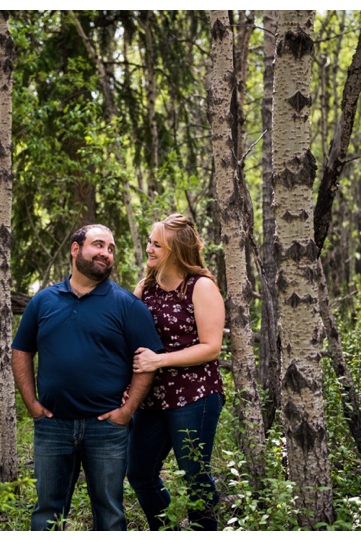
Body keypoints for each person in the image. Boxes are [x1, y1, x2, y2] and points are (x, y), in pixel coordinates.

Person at [12, 223, 164, 531]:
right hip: (53, 427)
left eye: (110, 249)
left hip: (106, 429)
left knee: (110, 513)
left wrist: (126, 411)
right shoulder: (43, 301)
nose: (106, 254)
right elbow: (21, 350)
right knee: (46, 514)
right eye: (98, 245)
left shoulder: (127, 305)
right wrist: (31, 404)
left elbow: (147, 362)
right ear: (75, 249)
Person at [127, 213, 226, 531]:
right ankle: (166, 530)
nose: (149, 249)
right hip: (153, 398)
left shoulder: (201, 287)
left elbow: (211, 347)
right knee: (139, 472)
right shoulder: (146, 288)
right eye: (149, 242)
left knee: (195, 476)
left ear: (176, 251)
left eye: (158, 244)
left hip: (196, 395)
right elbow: (130, 337)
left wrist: (160, 360)